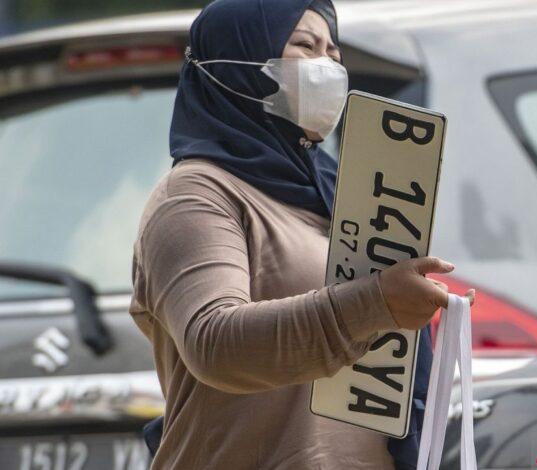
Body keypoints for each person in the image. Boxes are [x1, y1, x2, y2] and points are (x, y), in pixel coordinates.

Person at [129, 0, 474, 468]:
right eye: (305, 46)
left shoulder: (335, 188)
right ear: (238, 63)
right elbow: (214, 343)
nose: (329, 65)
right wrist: (373, 304)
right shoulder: (195, 195)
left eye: (334, 50)